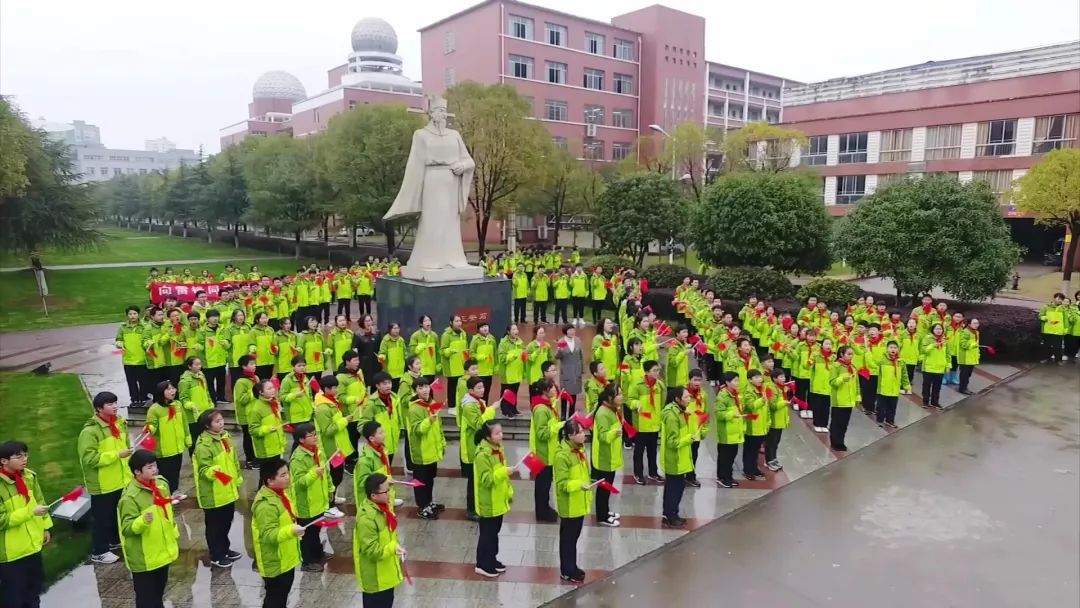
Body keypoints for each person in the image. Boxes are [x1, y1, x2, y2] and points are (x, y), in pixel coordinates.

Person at [118, 449, 180, 608]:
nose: (155, 470)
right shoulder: (130, 498)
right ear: (137, 471)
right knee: (146, 599)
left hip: (162, 551)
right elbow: (127, 528)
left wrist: (173, 531)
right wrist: (142, 521)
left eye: (155, 466)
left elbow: (167, 513)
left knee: (158, 594)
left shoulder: (161, 484)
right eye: (150, 467)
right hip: (144, 558)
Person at [79, 391, 133, 564]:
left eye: (115, 402)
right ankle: (99, 551)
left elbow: (126, 446)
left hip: (121, 479)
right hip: (103, 483)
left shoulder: (119, 423)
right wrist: (117, 455)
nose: (115, 406)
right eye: (110, 404)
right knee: (102, 519)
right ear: (99, 409)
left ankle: (114, 540)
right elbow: (89, 459)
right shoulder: (90, 432)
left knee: (116, 514)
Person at [0, 441, 53, 608]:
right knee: (14, 597)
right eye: (19, 456)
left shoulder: (29, 476)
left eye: (25, 455)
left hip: (33, 546)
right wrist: (30, 513)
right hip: (11, 554)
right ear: (4, 461)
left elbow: (40, 502)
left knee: (34, 591)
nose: (24, 459)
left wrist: (45, 527)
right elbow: (2, 519)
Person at [192, 410, 243, 569]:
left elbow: (233, 459)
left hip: (228, 489)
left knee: (226, 522)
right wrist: (215, 472)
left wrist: (237, 476)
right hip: (214, 493)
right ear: (207, 425)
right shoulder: (204, 445)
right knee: (215, 526)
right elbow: (203, 470)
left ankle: (225, 548)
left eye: (221, 420)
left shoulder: (225, 437)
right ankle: (216, 554)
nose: (221, 423)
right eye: (216, 422)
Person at [251, 458, 302, 608]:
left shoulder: (281, 494)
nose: (288, 477)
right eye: (282, 475)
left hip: (286, 556)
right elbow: (268, 535)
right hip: (275, 561)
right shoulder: (266, 505)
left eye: (287, 473)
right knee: (275, 598)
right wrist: (291, 530)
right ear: (269, 480)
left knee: (281, 596)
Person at [354, 474, 405, 608]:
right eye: (386, 491)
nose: (390, 494)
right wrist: (392, 548)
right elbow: (372, 551)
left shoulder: (383, 509)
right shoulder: (367, 519)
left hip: (385, 573)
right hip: (375, 578)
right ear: (373, 496)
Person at [473, 421, 514, 578]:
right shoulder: (482, 454)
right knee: (487, 533)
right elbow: (486, 479)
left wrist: (508, 491)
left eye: (501, 432)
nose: (501, 435)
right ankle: (482, 564)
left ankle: (491, 558)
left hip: (498, 498)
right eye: (497, 433)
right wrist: (504, 472)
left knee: (494, 532)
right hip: (488, 500)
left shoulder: (498, 449)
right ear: (488, 436)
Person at [288, 424, 331, 572]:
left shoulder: (317, 451)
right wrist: (313, 474)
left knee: (317, 529)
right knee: (307, 533)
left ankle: (318, 552)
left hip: (319, 499)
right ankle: (307, 561)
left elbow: (326, 472)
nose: (315, 437)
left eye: (315, 434)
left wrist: (330, 487)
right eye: (311, 435)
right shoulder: (298, 458)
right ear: (301, 440)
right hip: (306, 502)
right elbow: (299, 483)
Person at [554, 420, 592, 583]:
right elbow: (562, 484)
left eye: (583, 431)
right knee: (568, 539)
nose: (584, 434)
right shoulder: (562, 456)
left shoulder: (579, 450)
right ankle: (566, 570)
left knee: (574, 537)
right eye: (580, 432)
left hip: (580, 500)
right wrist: (579, 485)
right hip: (570, 503)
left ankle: (573, 566)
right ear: (570, 436)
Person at [406, 376, 446, 520]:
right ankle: (422, 507)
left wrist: (442, 442)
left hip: (432, 450)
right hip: (421, 452)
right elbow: (417, 430)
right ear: (415, 391)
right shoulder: (414, 409)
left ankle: (429, 502)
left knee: (430, 478)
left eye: (426, 386)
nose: (424, 390)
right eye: (420, 387)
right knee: (421, 481)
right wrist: (429, 420)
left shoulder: (432, 403)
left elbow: (438, 426)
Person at [458, 376, 496, 520]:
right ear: (470, 390)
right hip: (471, 446)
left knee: (479, 478)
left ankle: (478, 505)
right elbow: (479, 424)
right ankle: (471, 509)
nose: (482, 390)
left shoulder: (478, 402)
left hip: (479, 445)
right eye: (479, 388)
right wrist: (491, 410)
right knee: (473, 481)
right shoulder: (469, 405)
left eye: (483, 387)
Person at [143, 380, 189, 493]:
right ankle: (166, 493)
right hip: (164, 449)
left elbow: (184, 422)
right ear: (160, 392)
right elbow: (151, 425)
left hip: (177, 446)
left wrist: (187, 437)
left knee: (176, 471)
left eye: (173, 388)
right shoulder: (154, 409)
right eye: (168, 389)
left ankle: (175, 491)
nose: (172, 391)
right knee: (166, 473)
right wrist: (149, 428)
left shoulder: (177, 404)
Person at [313, 375, 353, 504]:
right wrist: (344, 421)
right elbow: (328, 430)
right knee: (335, 476)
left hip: (338, 445)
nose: (336, 390)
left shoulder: (331, 402)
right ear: (326, 389)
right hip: (332, 447)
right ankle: (329, 504)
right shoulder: (323, 408)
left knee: (338, 475)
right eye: (334, 387)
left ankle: (333, 497)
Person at [529, 379, 564, 522]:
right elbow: (542, 434)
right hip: (542, 454)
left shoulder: (546, 405)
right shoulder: (541, 409)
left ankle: (544, 508)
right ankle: (541, 512)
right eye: (551, 388)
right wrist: (558, 426)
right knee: (542, 485)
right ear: (544, 391)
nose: (555, 390)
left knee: (545, 483)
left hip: (547, 451)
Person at [660, 386, 693, 528]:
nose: (689, 399)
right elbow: (672, 442)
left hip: (681, 457)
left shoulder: (680, 412)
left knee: (678, 487)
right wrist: (688, 439)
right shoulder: (672, 415)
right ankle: (669, 515)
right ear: (677, 399)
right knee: (673, 488)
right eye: (686, 397)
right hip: (674, 458)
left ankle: (674, 513)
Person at [628, 360, 665, 485]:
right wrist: (636, 403)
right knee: (639, 451)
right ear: (647, 371)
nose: (657, 373)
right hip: (641, 423)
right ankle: (638, 473)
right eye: (654, 370)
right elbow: (629, 399)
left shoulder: (659, 385)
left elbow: (662, 403)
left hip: (654, 423)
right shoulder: (637, 385)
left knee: (653, 450)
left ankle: (653, 472)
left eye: (658, 370)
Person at [355, 422, 403, 509]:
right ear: (371, 438)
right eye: (380, 433)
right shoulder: (365, 460)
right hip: (375, 503)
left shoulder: (381, 450)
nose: (384, 435)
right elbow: (363, 482)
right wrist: (383, 482)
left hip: (384, 495)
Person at [360, 373, 401, 466]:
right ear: (377, 386)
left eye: (389, 383)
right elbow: (362, 424)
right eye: (384, 383)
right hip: (379, 445)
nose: (388, 386)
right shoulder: (372, 403)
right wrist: (373, 439)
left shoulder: (395, 398)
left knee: (388, 468)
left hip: (392, 441)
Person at [714, 372, 745, 488]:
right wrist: (732, 414)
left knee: (732, 456)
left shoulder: (736, 395)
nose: (737, 383)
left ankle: (729, 476)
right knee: (725, 457)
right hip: (726, 432)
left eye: (738, 380)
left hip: (735, 430)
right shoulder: (722, 396)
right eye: (735, 381)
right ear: (727, 383)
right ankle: (722, 477)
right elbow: (719, 413)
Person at [177, 357, 212, 452]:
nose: (199, 366)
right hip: (193, 414)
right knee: (195, 437)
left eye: (200, 364)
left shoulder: (201, 375)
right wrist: (191, 406)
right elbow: (183, 398)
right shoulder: (185, 381)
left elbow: (206, 392)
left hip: (204, 411)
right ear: (189, 366)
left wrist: (210, 404)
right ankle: (193, 456)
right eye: (196, 364)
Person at [872, 341, 910, 429]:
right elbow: (873, 363)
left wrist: (906, 385)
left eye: (895, 348)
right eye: (891, 347)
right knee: (881, 407)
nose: (893, 349)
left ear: (898, 349)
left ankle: (890, 420)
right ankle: (880, 420)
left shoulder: (901, 361)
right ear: (887, 349)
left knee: (892, 407)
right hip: (883, 388)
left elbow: (904, 374)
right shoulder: (882, 359)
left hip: (895, 389)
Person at [829, 347, 860, 452]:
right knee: (837, 423)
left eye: (852, 354)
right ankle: (835, 442)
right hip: (839, 400)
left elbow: (856, 383)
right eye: (849, 354)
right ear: (841, 354)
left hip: (849, 400)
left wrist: (857, 396)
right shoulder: (836, 366)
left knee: (844, 424)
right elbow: (832, 382)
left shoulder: (852, 367)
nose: (851, 356)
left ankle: (840, 441)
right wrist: (841, 379)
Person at [117, 305, 149, 405]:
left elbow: (147, 339)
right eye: (130, 314)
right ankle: (134, 399)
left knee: (143, 382)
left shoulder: (144, 327)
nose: (132, 316)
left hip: (142, 359)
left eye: (134, 313)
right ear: (127, 315)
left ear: (138, 315)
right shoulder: (123, 327)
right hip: (128, 360)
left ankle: (143, 398)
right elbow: (118, 340)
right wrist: (120, 345)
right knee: (131, 382)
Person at [740, 370, 769, 480]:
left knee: (756, 449)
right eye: (756, 378)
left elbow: (766, 408)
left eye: (760, 377)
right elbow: (751, 406)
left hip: (761, 425)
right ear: (750, 380)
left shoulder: (763, 389)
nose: (759, 379)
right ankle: (747, 469)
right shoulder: (748, 391)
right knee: (749, 449)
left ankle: (755, 468)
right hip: (751, 425)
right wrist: (762, 399)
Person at [249, 380, 287, 462]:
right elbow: (252, 430)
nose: (273, 390)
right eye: (269, 388)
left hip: (277, 446)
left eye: (273, 387)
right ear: (261, 392)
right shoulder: (256, 409)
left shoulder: (273, 403)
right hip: (266, 450)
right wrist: (267, 429)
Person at [233, 355, 260, 468]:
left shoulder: (255, 378)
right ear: (244, 366)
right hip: (245, 414)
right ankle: (249, 460)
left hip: (254, 412)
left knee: (254, 437)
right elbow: (242, 399)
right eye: (251, 364)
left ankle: (256, 457)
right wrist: (255, 391)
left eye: (255, 364)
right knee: (248, 438)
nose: (254, 366)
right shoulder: (241, 382)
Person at [685, 369, 709, 487]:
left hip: (696, 432)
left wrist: (704, 430)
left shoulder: (703, 395)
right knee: (683, 455)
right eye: (695, 380)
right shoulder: (683, 394)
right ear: (689, 380)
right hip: (684, 431)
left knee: (694, 455)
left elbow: (705, 414)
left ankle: (691, 476)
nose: (697, 383)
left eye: (700, 380)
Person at [554, 324, 584, 419]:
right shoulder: (561, 341)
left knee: (573, 396)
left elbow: (581, 356)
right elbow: (557, 356)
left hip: (576, 372)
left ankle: (571, 415)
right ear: (565, 331)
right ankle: (563, 416)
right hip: (566, 373)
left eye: (573, 330)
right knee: (564, 395)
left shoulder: (578, 341)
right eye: (570, 330)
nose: (572, 332)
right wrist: (559, 350)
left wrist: (581, 370)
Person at [496, 324, 526, 417]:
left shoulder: (520, 342)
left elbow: (523, 353)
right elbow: (501, 358)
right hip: (507, 372)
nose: (516, 331)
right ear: (508, 332)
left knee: (514, 391)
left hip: (517, 371)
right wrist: (511, 357)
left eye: (516, 329)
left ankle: (513, 408)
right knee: (506, 391)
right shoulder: (503, 343)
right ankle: (505, 410)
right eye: (513, 329)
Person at [280, 356, 315, 433]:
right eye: (299, 366)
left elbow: (310, 396)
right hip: (295, 416)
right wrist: (295, 395)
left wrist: (313, 407)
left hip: (307, 414)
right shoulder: (287, 380)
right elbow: (282, 397)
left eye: (304, 365)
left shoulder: (306, 378)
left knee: (306, 440)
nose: (302, 368)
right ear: (293, 367)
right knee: (300, 440)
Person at [763, 369, 790, 471]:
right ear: (774, 378)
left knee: (776, 442)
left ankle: (774, 459)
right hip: (773, 421)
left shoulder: (782, 388)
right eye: (781, 377)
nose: (784, 379)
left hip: (780, 420)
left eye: (784, 376)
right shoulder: (770, 388)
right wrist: (784, 403)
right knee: (770, 442)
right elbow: (772, 406)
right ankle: (769, 460)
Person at [441, 315, 469, 407]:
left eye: (460, 321)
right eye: (456, 321)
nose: (459, 323)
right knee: (452, 387)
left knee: (462, 386)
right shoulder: (446, 335)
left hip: (462, 365)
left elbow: (465, 348)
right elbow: (443, 350)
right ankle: (452, 406)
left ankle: (461, 404)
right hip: (452, 366)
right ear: (451, 323)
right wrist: (451, 350)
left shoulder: (463, 333)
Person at [808, 337, 835, 433]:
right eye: (826, 344)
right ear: (822, 345)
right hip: (817, 385)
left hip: (828, 386)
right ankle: (817, 423)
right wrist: (809, 362)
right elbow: (808, 366)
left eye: (830, 344)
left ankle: (824, 424)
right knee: (817, 406)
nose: (828, 346)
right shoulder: (816, 355)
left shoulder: (833, 357)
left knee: (826, 407)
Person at [921, 324, 950, 409]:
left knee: (937, 386)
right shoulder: (927, 338)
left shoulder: (945, 341)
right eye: (937, 329)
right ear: (933, 330)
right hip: (928, 367)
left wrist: (948, 365)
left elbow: (948, 354)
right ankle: (925, 401)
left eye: (940, 329)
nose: (938, 330)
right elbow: (923, 350)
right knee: (926, 386)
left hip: (940, 367)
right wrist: (933, 345)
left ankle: (935, 402)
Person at [469, 322, 498, 403]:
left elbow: (495, 353)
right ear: (478, 330)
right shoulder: (475, 340)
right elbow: (471, 354)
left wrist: (496, 365)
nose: (485, 328)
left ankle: (484, 407)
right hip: (479, 372)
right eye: (482, 327)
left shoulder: (492, 339)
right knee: (478, 391)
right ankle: (477, 407)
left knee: (486, 390)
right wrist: (479, 357)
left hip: (489, 371)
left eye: (486, 326)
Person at [408, 315, 440, 383]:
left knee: (430, 390)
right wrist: (418, 349)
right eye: (425, 321)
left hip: (431, 369)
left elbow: (438, 352)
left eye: (429, 320)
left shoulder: (434, 336)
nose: (428, 322)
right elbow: (411, 352)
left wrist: (438, 363)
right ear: (421, 324)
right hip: (419, 369)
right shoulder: (415, 336)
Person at [379, 323, 408, 392]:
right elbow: (382, 352)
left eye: (398, 328)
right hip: (390, 372)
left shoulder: (401, 340)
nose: (396, 330)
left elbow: (405, 353)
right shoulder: (385, 341)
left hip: (401, 371)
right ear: (390, 330)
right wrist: (381, 357)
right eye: (394, 328)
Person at [1038, 293, 1067, 363]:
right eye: (1058, 298)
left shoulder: (1063, 309)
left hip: (1058, 331)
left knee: (1058, 346)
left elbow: (1066, 320)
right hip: (1048, 330)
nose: (1060, 301)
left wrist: (1065, 329)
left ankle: (1058, 360)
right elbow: (1040, 316)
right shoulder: (1046, 307)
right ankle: (1046, 358)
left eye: (1061, 299)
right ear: (1054, 298)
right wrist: (1045, 318)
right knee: (1046, 345)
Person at [956, 319, 982, 395]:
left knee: (968, 374)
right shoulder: (965, 332)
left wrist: (978, 353)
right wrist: (972, 344)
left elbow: (976, 345)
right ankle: (962, 388)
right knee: (964, 374)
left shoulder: (976, 332)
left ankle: (964, 387)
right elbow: (963, 344)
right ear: (969, 324)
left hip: (972, 356)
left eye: (977, 323)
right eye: (974, 323)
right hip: (965, 357)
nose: (976, 325)